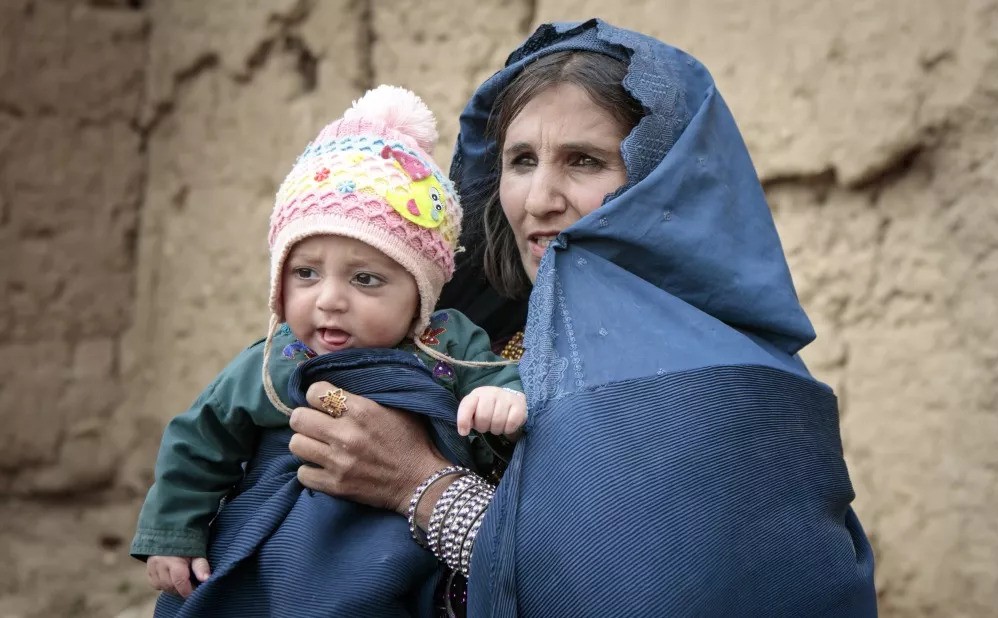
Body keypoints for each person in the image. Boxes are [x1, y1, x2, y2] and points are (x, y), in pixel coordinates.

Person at [289, 19, 878, 617]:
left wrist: (419, 484)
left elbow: (630, 593)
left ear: (661, 184)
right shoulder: (470, 347)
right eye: (521, 160)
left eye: (585, 161)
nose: (538, 199)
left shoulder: (720, 392)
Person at [129, 85, 526, 616]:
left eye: (365, 279)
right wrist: (174, 532)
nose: (329, 300)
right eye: (306, 273)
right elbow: (201, 436)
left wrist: (501, 401)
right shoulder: (278, 360)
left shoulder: (448, 343)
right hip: (291, 547)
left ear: (421, 294)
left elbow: (493, 378)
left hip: (401, 552)